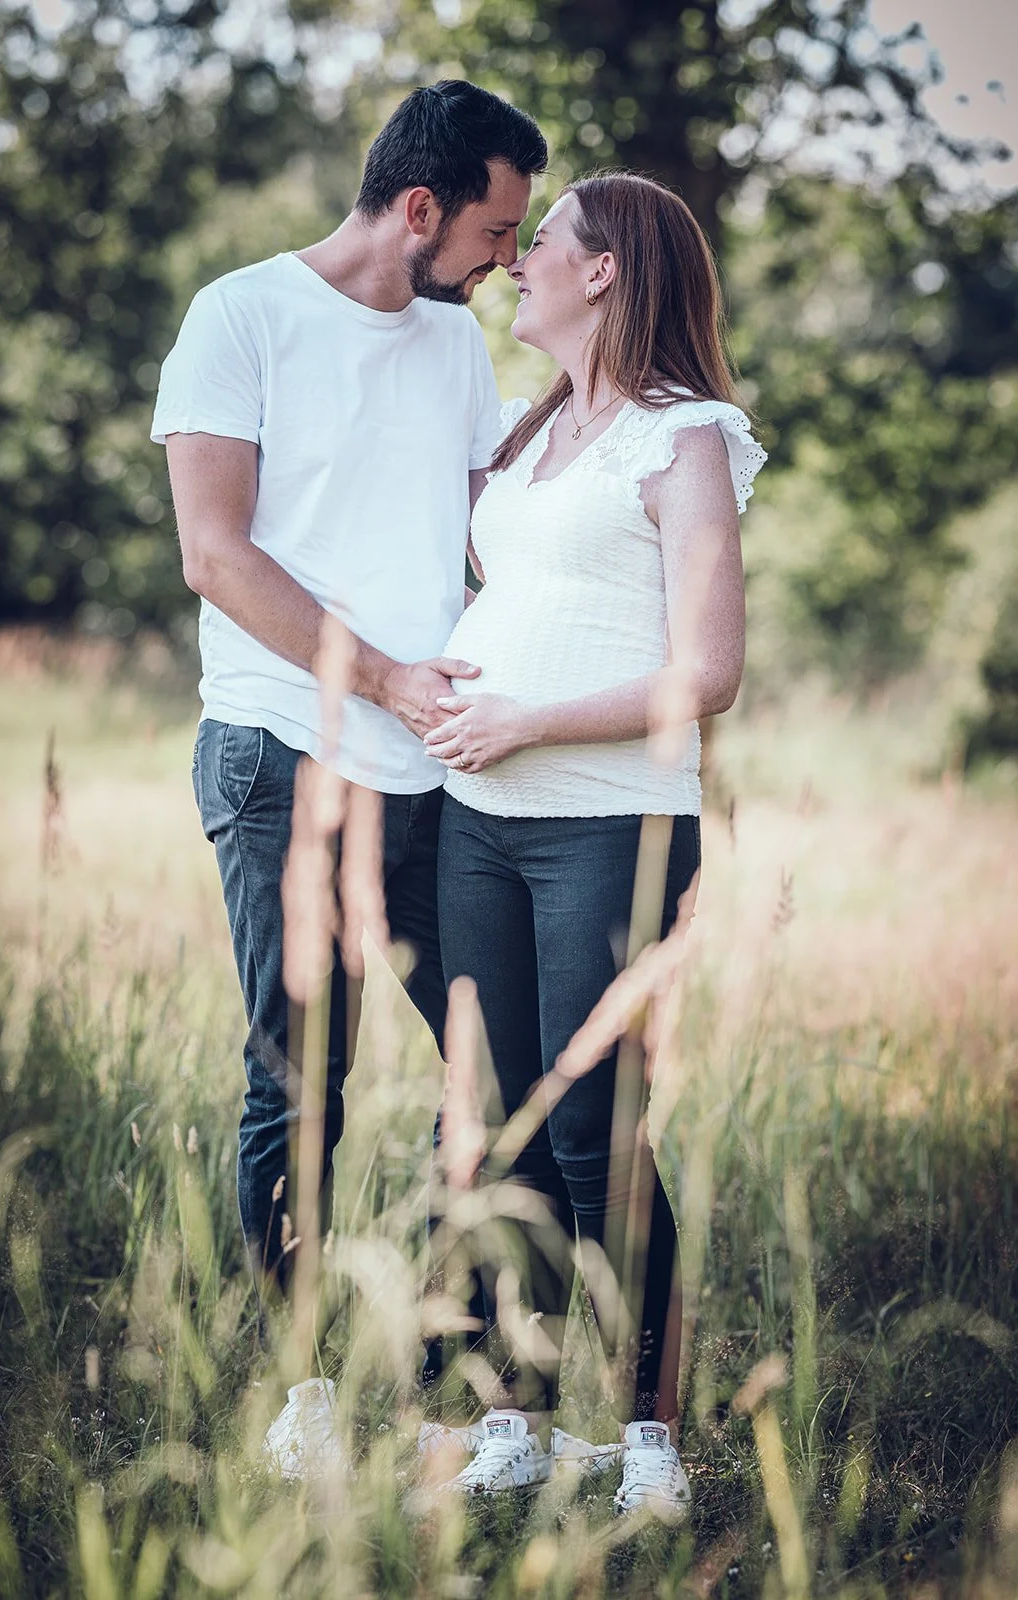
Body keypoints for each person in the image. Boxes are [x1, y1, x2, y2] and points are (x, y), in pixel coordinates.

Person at [150, 81, 547, 1475]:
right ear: (419, 208)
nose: (510, 259)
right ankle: (300, 1395)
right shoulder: (241, 315)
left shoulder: (453, 345)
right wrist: (381, 674)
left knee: (504, 1078)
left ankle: (495, 1402)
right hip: (282, 750)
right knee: (302, 1083)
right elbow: (217, 553)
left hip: (434, 777)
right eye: (498, 230)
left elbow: (499, 515)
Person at [421, 172, 766, 1517]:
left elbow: (709, 670)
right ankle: (514, 1414)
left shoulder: (685, 439)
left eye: (539, 242)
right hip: (481, 826)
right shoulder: (527, 434)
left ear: (606, 268)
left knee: (598, 1136)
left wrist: (525, 719)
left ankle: (649, 1441)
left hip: (610, 823)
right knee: (499, 1133)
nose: (517, 264)